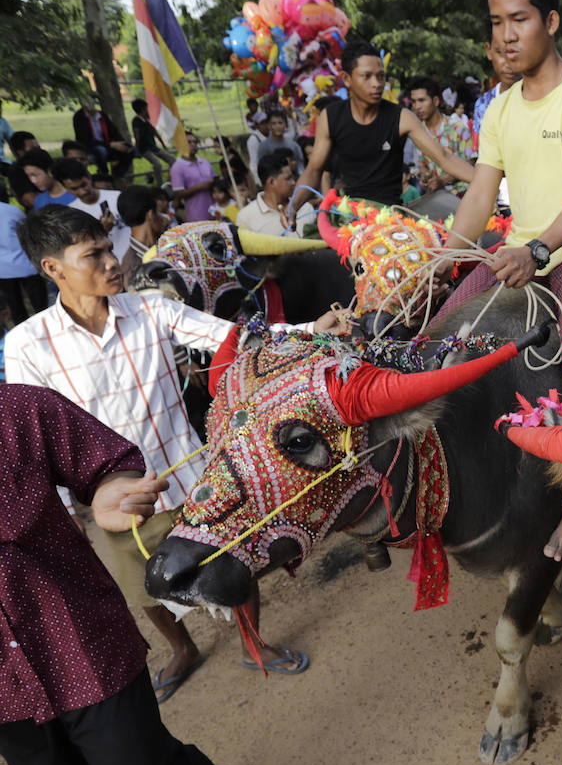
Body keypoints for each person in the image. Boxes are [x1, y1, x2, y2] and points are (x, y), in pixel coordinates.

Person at [4, 207, 336, 705]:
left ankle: (254, 642)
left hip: (195, 479)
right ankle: (182, 648)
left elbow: (236, 338)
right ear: (53, 269)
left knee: (234, 565)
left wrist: (314, 329)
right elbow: (37, 437)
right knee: (144, 590)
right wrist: (67, 512)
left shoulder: (152, 310)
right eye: (92, 254)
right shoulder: (27, 345)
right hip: (120, 505)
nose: (113, 262)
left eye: (109, 248)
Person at [0, 383, 279, 765]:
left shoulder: (16, 408)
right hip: (5, 686)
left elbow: (107, 463)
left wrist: (112, 491)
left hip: (73, 637)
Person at [438, 0, 562, 561]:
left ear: (552, 21)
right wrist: (446, 255)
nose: (505, 35)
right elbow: (480, 193)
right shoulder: (501, 106)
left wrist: (538, 249)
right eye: (495, 22)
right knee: (436, 338)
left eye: (518, 19)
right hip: (515, 253)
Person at [290, 39, 476, 215]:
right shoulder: (330, 117)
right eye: (367, 76)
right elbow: (313, 171)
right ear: (346, 78)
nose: (377, 84)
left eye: (381, 76)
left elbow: (445, 158)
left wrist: (488, 182)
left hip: (391, 217)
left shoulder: (402, 117)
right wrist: (293, 207)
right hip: (351, 218)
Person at [53, 157, 131, 268]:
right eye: (75, 188)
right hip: (109, 267)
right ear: (65, 188)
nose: (82, 191)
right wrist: (102, 232)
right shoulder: (72, 214)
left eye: (84, 185)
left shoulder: (118, 197)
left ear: (89, 177)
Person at [407, 75, 476, 193]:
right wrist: (426, 176)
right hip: (435, 197)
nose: (417, 106)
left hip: (463, 195)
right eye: (414, 102)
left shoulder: (458, 128)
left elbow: (471, 162)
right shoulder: (418, 132)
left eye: (422, 100)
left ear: (436, 101)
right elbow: (422, 164)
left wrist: (443, 180)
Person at [238, 148, 315, 237]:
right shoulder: (246, 217)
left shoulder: (306, 208)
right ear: (271, 182)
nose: (294, 182)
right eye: (288, 178)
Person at [0, 183, 45, 327]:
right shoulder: (12, 210)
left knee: (16, 306)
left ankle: (24, 333)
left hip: (3, 269)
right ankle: (46, 328)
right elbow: (27, 229)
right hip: (25, 264)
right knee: (40, 305)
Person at [116, 184, 171, 281]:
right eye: (158, 212)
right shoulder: (136, 266)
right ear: (151, 215)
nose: (163, 218)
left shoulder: (130, 260)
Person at [473, 41, 523, 145]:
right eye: (500, 52)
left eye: (516, 53)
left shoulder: (542, 99)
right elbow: (478, 151)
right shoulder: (483, 104)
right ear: (489, 51)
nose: (509, 63)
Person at [72, 101, 135, 179]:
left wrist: (120, 142)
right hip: (91, 146)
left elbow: (113, 130)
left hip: (107, 144)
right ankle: (104, 174)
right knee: (101, 151)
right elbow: (84, 139)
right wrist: (110, 144)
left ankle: (117, 176)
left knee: (129, 149)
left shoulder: (101, 115)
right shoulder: (79, 117)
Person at [130, 97, 176, 186]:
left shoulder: (146, 121)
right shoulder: (136, 121)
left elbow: (155, 133)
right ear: (142, 109)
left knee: (172, 160)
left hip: (153, 147)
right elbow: (137, 135)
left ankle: (170, 180)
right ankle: (160, 185)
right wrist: (137, 149)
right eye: (146, 108)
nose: (148, 110)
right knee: (157, 164)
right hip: (144, 149)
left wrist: (163, 145)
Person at [170, 133, 216, 223]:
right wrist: (200, 187)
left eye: (195, 142)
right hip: (196, 213)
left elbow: (215, 182)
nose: (193, 145)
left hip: (214, 209)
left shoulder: (205, 162)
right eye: (189, 142)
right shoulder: (177, 167)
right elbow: (179, 193)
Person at [5, 131, 39, 208]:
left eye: (39, 147)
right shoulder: (17, 172)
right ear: (20, 152)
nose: (39, 151)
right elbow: (31, 200)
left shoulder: (43, 162)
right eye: (34, 149)